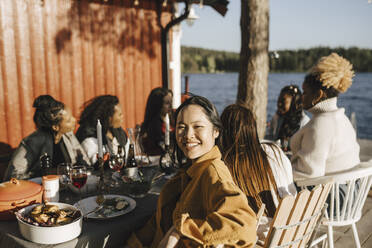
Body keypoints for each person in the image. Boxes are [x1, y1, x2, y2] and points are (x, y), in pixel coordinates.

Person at [127, 96, 257, 248]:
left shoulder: (213, 172)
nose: (188, 135)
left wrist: (181, 229)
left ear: (216, 131)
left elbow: (244, 225)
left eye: (198, 127)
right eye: (182, 127)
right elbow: (159, 223)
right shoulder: (190, 171)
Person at [219, 104, 296, 241]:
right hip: (289, 230)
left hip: (261, 238)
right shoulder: (274, 151)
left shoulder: (228, 165)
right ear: (253, 129)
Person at [290, 53, 360, 179]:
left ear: (318, 95)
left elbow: (308, 175)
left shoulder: (320, 126)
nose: (301, 97)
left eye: (305, 92)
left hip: (331, 195)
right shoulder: (343, 119)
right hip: (349, 192)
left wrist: (279, 171)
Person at [3, 95, 90, 181]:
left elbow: (85, 164)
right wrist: (44, 173)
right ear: (55, 127)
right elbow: (11, 178)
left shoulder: (68, 135)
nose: (74, 120)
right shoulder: (32, 142)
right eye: (68, 120)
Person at [76, 95, 128, 166]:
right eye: (120, 114)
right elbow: (96, 162)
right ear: (109, 117)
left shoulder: (118, 132)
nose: (122, 117)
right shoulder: (89, 137)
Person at [266, 85, 309, 150]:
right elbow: (270, 138)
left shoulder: (304, 122)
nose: (279, 104)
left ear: (294, 104)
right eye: (278, 100)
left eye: (283, 102)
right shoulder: (277, 118)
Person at [139, 87, 174, 156]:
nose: (171, 106)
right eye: (167, 103)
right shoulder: (153, 125)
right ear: (158, 105)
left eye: (171, 102)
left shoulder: (174, 118)